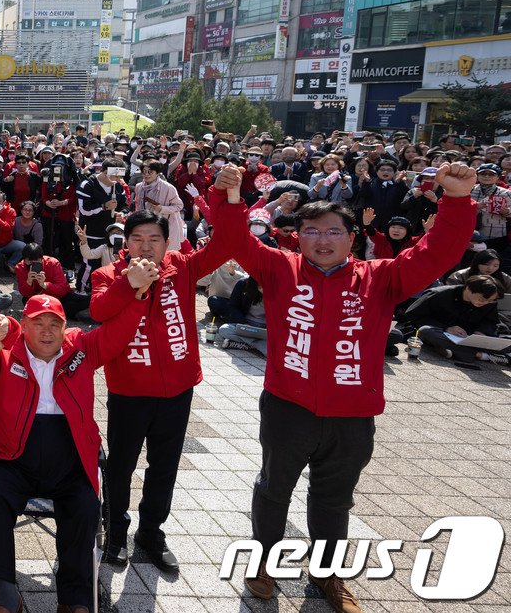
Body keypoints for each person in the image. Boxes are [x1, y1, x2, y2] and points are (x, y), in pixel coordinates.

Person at [228, 164, 475, 613]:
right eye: (311, 232)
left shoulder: (381, 277)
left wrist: (456, 200)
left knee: (334, 498)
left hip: (352, 415)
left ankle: (327, 574)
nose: (322, 240)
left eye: (333, 232)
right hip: (288, 407)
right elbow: (236, 240)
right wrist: (227, 199)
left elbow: (438, 253)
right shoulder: (279, 268)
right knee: (272, 488)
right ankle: (264, 562)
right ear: (297, 237)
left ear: (352, 236)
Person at [0, 266, 157, 613]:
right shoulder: (9, 351)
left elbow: (119, 332)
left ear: (65, 327)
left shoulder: (82, 350)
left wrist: (139, 295)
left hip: (69, 461)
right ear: (23, 326)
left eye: (54, 323)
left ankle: (74, 599)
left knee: (85, 509)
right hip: (13, 457)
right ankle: (6, 596)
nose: (46, 331)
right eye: (38, 323)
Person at [91, 165, 247, 571]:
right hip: (128, 390)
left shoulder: (185, 266)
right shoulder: (108, 274)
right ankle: (116, 530)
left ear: (167, 241)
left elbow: (229, 241)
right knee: (121, 466)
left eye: (154, 240)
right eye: (137, 240)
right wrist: (132, 283)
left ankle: (151, 533)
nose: (146, 247)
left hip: (177, 388)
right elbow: (100, 310)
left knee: (165, 465)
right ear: (125, 244)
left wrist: (225, 198)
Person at [399, 277, 502, 367]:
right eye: (482, 299)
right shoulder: (439, 294)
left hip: (469, 337)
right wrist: (446, 328)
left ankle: (453, 350)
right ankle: (481, 355)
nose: (485, 303)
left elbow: (491, 322)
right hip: (441, 332)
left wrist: (481, 332)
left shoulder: (489, 302)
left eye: (490, 301)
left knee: (506, 340)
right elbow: (413, 315)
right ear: (469, 288)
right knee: (425, 330)